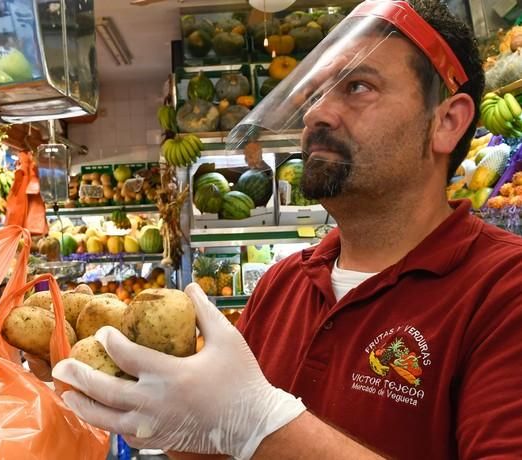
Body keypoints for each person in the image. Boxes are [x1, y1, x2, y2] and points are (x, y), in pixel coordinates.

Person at [53, 0, 522, 458]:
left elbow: (252, 432)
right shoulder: (283, 284)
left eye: (358, 87)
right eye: (316, 93)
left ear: (447, 122)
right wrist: (143, 406)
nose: (317, 114)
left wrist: (260, 422)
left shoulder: (505, 290)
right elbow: (224, 445)